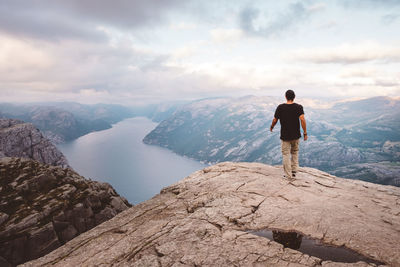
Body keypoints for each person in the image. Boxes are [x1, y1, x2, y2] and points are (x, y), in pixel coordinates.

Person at [270, 90, 307, 179]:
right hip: (296, 135)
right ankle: (294, 171)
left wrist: (272, 126)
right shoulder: (299, 107)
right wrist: (305, 132)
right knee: (294, 152)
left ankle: (288, 175)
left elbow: (275, 120)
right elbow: (302, 119)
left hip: (285, 135)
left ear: (286, 97)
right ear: (294, 97)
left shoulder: (280, 107)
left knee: (286, 154)